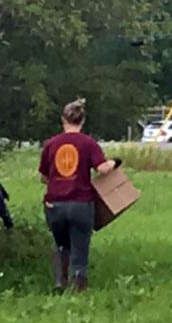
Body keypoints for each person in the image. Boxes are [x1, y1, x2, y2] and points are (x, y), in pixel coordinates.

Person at [38, 99, 120, 292]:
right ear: (82, 120)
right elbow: (102, 169)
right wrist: (115, 162)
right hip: (80, 203)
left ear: (63, 120)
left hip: (54, 204)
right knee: (80, 245)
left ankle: (59, 281)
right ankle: (78, 283)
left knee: (60, 243)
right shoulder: (88, 143)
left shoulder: (51, 144)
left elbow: (43, 177)